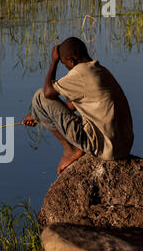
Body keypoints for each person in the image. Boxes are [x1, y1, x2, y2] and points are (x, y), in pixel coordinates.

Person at [23, 37, 134, 175]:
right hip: (123, 146)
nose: (67, 69)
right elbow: (72, 105)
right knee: (43, 104)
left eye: (65, 64)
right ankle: (74, 148)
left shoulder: (80, 73)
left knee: (39, 97)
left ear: (72, 61)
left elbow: (48, 93)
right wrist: (37, 116)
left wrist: (54, 61)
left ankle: (70, 149)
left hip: (105, 149)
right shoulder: (100, 70)